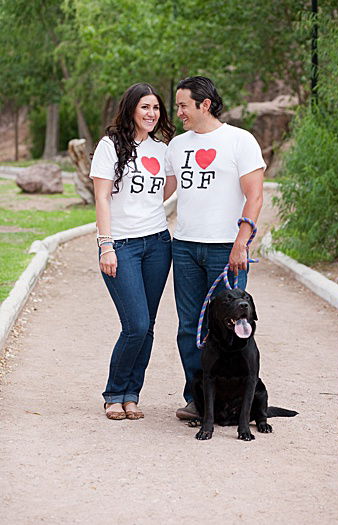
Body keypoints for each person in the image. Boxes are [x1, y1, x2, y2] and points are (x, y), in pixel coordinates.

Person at [164, 76, 265, 420]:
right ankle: (198, 399)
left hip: (227, 248)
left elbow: (255, 195)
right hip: (186, 248)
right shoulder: (177, 146)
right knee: (189, 326)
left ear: (204, 104)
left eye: (182, 105)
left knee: (235, 325)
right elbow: (161, 192)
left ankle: (236, 401)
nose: (177, 112)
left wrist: (242, 242)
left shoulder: (239, 141)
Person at [91, 82, 176, 420]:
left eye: (156, 108)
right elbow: (101, 198)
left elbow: (168, 187)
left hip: (158, 243)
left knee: (149, 324)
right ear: (130, 109)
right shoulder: (109, 146)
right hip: (121, 246)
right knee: (136, 324)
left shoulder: (162, 148)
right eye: (145, 107)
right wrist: (106, 245)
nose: (151, 114)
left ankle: (131, 395)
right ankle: (114, 393)